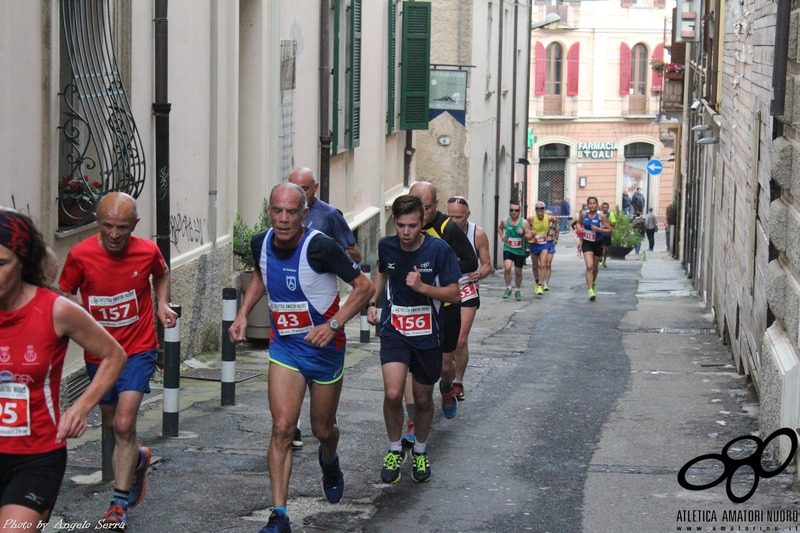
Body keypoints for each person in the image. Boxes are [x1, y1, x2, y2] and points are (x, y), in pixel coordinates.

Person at [229, 183, 374, 533]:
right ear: (269, 211)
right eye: (277, 211)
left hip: (325, 352)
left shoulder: (321, 247)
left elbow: (365, 287)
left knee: (322, 428)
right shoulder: (260, 242)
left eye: (291, 212)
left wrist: (334, 324)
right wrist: (243, 313)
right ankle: (279, 515)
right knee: (282, 428)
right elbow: (261, 274)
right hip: (286, 349)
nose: (283, 219)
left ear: (304, 214)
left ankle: (329, 458)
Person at [0, 211, 126, 533]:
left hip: (36, 457)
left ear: (23, 262)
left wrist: (81, 408)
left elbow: (114, 354)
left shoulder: (55, 310)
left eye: (1, 264)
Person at [59, 192, 178, 530]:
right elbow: (65, 290)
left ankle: (118, 504)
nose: (114, 235)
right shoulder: (80, 255)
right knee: (113, 424)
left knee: (124, 423)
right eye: (107, 226)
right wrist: (80, 315)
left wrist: (162, 305)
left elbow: (162, 273)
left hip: (138, 348)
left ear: (135, 225)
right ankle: (138, 457)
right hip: (99, 354)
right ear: (97, 222)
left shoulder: (147, 250)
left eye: (122, 228)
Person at [367, 195, 461, 485]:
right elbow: (382, 272)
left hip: (427, 333)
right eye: (400, 226)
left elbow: (454, 294)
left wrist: (422, 288)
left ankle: (420, 449)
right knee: (393, 393)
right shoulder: (387, 245)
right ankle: (395, 449)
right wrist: (373, 301)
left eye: (412, 226)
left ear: (422, 223)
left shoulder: (439, 250)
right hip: (394, 328)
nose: (405, 233)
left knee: (422, 399)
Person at [288, 167, 362, 449]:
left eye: (304, 189)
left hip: (322, 308)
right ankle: (290, 428)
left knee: (320, 394)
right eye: (293, 187)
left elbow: (355, 253)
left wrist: (325, 254)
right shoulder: (285, 214)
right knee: (290, 370)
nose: (298, 194)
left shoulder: (330, 215)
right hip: (292, 308)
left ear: (315, 188)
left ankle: (326, 423)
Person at [405, 182, 478, 424]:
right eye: (416, 206)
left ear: (436, 204)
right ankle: (414, 418)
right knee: (412, 364)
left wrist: (442, 271)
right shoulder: (406, 227)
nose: (421, 213)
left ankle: (447, 389)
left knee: (446, 365)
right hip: (417, 307)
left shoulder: (448, 228)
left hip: (446, 306)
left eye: (426, 207)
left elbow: (471, 261)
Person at [446, 196, 492, 402]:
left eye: (459, 217)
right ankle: (445, 377)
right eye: (451, 216)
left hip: (467, 287)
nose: (454, 221)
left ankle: (457, 382)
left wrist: (480, 274)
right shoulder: (440, 231)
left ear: (468, 215)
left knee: (460, 340)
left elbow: (487, 265)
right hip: (445, 288)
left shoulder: (478, 234)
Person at [579, 197, 613, 301]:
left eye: (594, 203)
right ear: (587, 205)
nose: (592, 205)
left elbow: (610, 230)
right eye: (590, 203)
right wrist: (579, 228)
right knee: (589, 266)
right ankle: (590, 290)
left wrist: (599, 229)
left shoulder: (601, 216)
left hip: (598, 242)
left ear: (597, 205)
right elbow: (578, 223)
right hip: (587, 242)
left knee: (594, 267)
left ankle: (593, 282)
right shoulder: (584, 214)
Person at [497, 201, 530, 301]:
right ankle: (508, 288)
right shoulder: (505, 221)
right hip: (508, 248)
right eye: (512, 210)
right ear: (509, 211)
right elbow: (499, 228)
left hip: (519, 251)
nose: (514, 212)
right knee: (507, 268)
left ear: (519, 211)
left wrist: (523, 233)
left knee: (518, 272)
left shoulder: (524, 222)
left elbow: (529, 237)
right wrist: (502, 236)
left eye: (516, 210)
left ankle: (517, 290)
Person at [526, 201, 551, 295]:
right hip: (534, 244)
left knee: (543, 265)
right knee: (535, 266)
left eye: (541, 209)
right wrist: (530, 233)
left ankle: (540, 285)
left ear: (544, 210)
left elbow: (555, 222)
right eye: (537, 209)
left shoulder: (548, 218)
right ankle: (537, 281)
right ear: (535, 210)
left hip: (544, 244)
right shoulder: (531, 219)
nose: (539, 212)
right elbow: (526, 228)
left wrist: (552, 230)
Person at [541, 210, 558, 291]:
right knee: (542, 265)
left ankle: (546, 283)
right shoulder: (541, 222)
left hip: (550, 244)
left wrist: (556, 239)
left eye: (550, 215)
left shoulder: (553, 223)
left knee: (548, 264)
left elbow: (557, 231)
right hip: (542, 244)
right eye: (547, 215)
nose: (549, 217)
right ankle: (540, 281)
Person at [600, 202, 616, 268]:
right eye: (604, 207)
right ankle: (600, 258)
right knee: (600, 247)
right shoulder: (599, 214)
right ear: (602, 208)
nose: (605, 209)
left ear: (608, 208)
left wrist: (606, 221)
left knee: (606, 249)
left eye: (606, 207)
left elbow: (614, 224)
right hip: (600, 232)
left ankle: (604, 260)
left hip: (607, 233)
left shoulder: (611, 214)